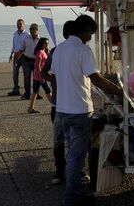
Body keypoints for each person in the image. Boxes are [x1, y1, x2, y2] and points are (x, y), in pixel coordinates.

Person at [51, 15, 123, 206]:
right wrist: (120, 92)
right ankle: (72, 198)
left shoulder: (58, 49)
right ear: (83, 31)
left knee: (72, 153)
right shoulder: (83, 50)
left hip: (62, 110)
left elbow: (55, 77)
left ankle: (74, 191)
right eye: (90, 33)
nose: (90, 38)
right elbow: (96, 79)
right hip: (79, 110)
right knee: (77, 156)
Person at [42, 20, 75, 185]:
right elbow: (43, 72)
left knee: (72, 140)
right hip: (58, 104)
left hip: (73, 104)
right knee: (59, 140)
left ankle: (74, 170)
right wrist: (56, 83)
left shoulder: (79, 51)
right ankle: (60, 170)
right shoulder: (55, 51)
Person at [28, 38, 52, 114]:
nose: (47, 44)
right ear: (41, 43)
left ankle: (31, 108)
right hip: (39, 76)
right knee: (47, 91)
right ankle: (56, 108)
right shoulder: (39, 53)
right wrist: (41, 77)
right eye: (45, 43)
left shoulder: (44, 52)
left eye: (47, 43)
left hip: (40, 75)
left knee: (35, 92)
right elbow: (37, 66)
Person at [18, 23, 40, 100]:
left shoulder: (41, 40)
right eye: (30, 29)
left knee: (36, 78)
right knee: (26, 77)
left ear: (37, 30)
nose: (31, 31)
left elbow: (45, 50)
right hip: (26, 60)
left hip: (37, 61)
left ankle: (36, 93)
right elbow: (21, 49)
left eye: (33, 29)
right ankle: (27, 93)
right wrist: (16, 58)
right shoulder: (26, 39)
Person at [7, 19, 29, 96]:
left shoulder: (27, 35)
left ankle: (27, 91)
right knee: (15, 74)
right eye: (18, 24)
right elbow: (14, 45)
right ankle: (16, 90)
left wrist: (21, 52)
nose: (19, 25)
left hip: (24, 57)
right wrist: (11, 54)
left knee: (26, 74)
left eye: (20, 24)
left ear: (24, 25)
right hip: (16, 56)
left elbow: (27, 47)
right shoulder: (15, 34)